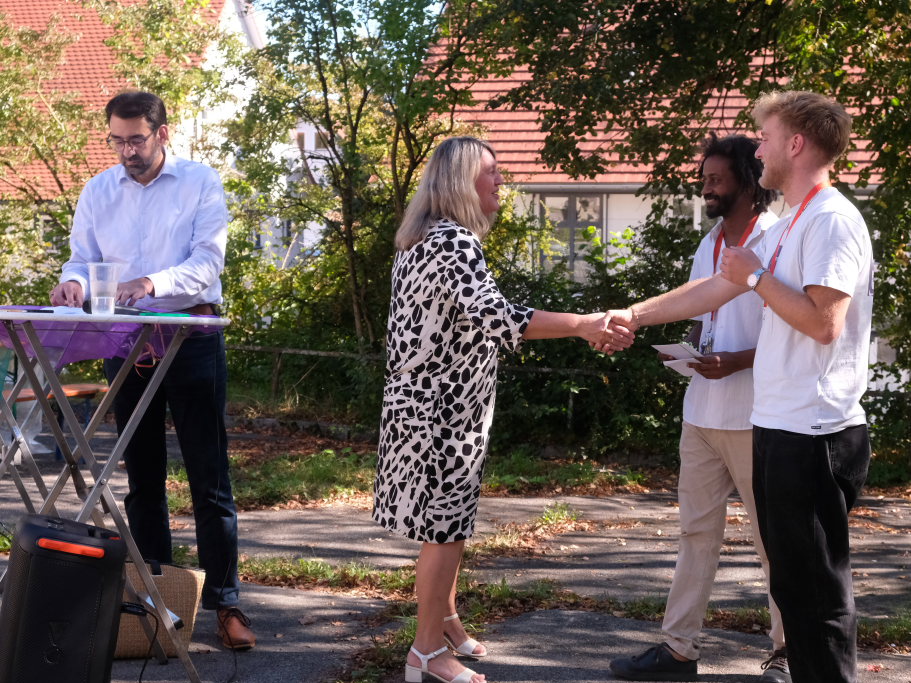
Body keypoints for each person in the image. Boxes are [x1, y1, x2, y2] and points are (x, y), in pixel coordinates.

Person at [598, 91, 873, 683]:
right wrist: (633, 314)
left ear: (795, 144)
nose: (760, 150)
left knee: (817, 599)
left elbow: (824, 323)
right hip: (779, 425)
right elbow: (713, 290)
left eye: (766, 138)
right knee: (796, 589)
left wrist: (756, 276)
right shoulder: (794, 222)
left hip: (816, 431)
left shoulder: (830, 219)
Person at [373, 136, 633, 683]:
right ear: (461, 180)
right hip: (443, 411)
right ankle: (425, 653)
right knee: (444, 530)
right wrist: (585, 324)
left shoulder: (423, 237)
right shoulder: (453, 241)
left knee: (449, 524)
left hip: (423, 404)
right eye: (491, 171)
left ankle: (445, 620)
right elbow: (500, 318)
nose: (500, 181)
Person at [50, 91, 255, 651]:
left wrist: (151, 283)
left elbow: (207, 263)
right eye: (116, 141)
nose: (126, 151)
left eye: (136, 140)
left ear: (162, 133)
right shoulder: (98, 190)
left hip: (192, 338)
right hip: (126, 344)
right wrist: (72, 282)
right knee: (142, 480)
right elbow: (81, 258)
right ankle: (159, 602)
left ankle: (226, 604)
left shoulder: (200, 182)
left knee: (209, 479)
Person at [609, 134, 788, 682]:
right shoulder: (709, 241)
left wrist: (737, 360)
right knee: (695, 535)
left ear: (748, 181)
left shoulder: (777, 239)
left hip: (757, 416)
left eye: (715, 179)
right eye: (704, 178)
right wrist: (688, 351)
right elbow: (701, 312)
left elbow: (793, 331)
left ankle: (788, 654)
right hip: (701, 414)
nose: (706, 187)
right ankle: (678, 650)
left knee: (774, 541)